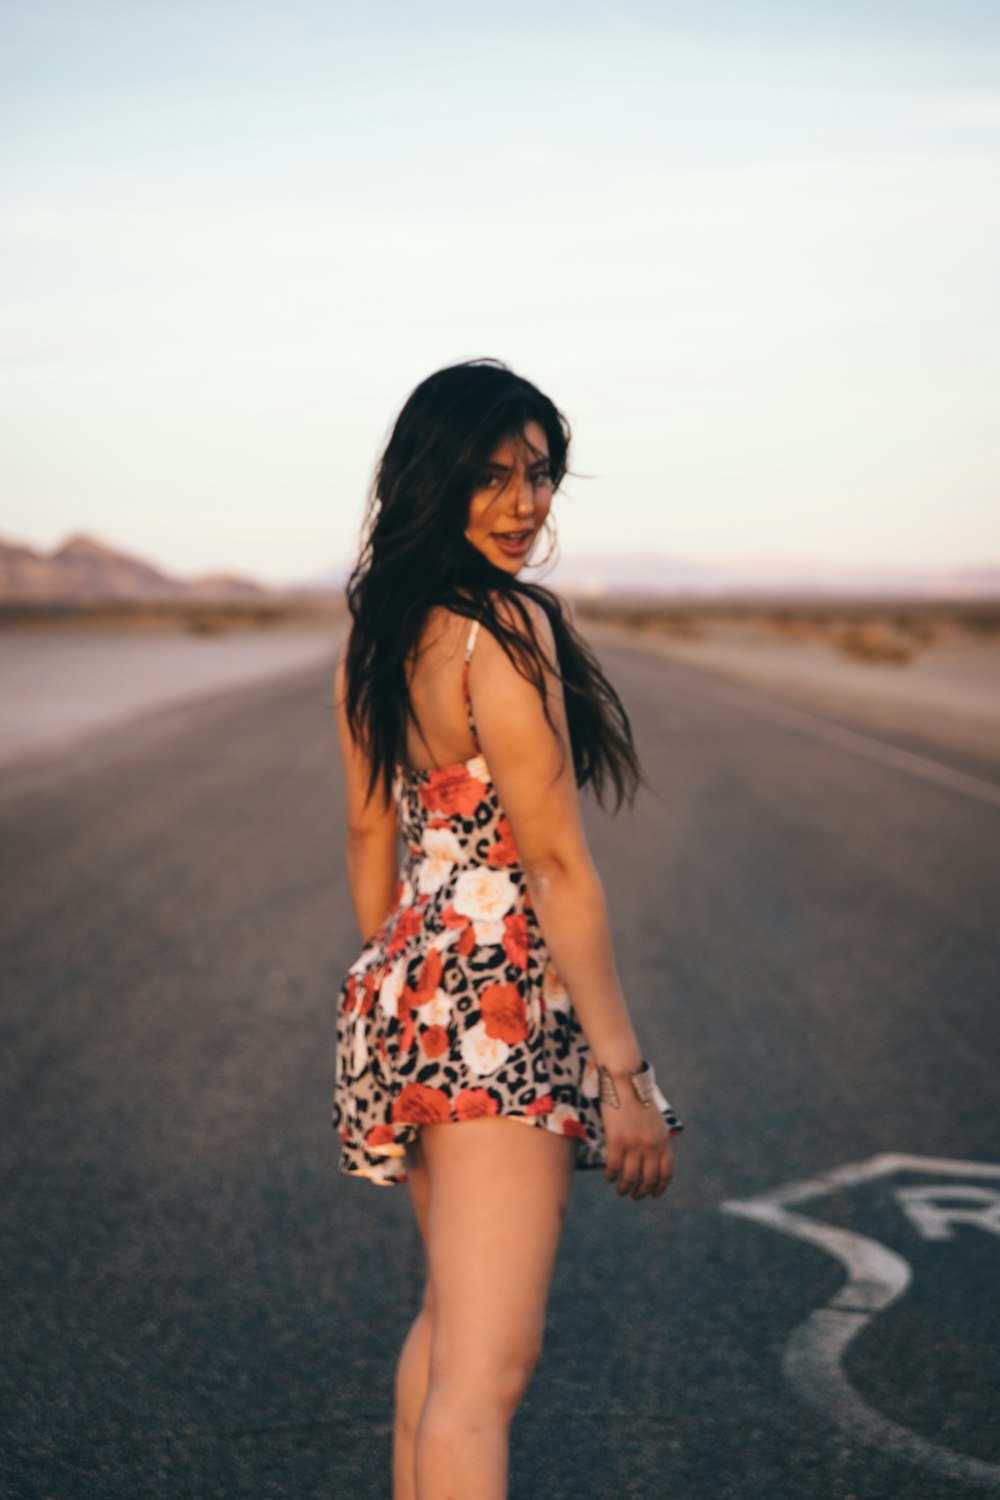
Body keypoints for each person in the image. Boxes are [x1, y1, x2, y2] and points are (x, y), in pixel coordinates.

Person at [330, 357, 684, 1500]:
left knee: (450, 1325)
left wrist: (405, 984)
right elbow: (557, 863)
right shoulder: (502, 628)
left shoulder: (378, 632)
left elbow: (366, 836)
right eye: (493, 476)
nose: (526, 503)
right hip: (500, 1007)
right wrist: (625, 1077)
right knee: (488, 1373)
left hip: (416, 986)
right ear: (437, 481)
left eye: (540, 474)